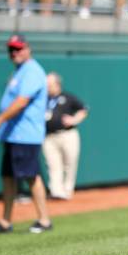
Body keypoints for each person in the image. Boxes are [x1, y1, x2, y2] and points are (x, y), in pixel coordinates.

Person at [0, 34, 52, 234]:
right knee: (8, 177)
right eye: (11, 49)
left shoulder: (32, 70)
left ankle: (44, 220)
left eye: (18, 48)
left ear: (28, 49)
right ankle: (5, 221)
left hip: (25, 134)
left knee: (31, 176)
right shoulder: (20, 71)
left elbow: (21, 102)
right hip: (13, 134)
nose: (14, 53)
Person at [43, 72, 88, 200]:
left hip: (67, 134)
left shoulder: (67, 97)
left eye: (49, 84)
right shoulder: (43, 99)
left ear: (57, 84)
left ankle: (67, 191)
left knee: (69, 163)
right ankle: (56, 191)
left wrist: (74, 120)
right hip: (49, 136)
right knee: (53, 165)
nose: (47, 87)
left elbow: (83, 109)